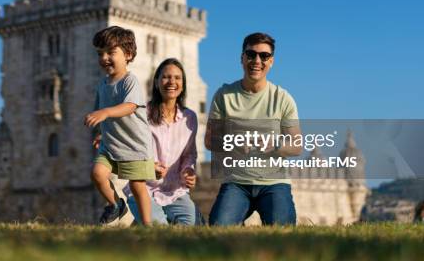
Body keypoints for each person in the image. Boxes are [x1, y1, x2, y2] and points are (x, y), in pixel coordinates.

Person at [206, 32, 303, 226]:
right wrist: (233, 143)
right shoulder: (224, 95)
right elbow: (210, 141)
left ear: (271, 61)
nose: (257, 60)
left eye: (264, 56)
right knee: (218, 227)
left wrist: (274, 146)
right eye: (251, 54)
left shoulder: (283, 98)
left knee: (282, 231)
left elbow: (297, 146)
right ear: (242, 58)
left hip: (274, 184)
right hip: (236, 182)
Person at [85, 26, 155, 225]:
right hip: (110, 143)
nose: (104, 58)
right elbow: (103, 114)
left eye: (111, 52)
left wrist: (105, 112)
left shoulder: (129, 81)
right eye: (101, 53)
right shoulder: (102, 84)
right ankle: (115, 204)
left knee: (137, 186)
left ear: (128, 55)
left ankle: (147, 225)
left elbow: (130, 106)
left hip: (134, 145)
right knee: (97, 174)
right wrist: (101, 133)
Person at [126, 58, 200, 225]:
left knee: (190, 228)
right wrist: (148, 167)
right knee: (160, 230)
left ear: (183, 84)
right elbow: (129, 151)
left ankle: (139, 227)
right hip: (143, 189)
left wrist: (189, 170)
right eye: (166, 77)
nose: (172, 82)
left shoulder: (190, 118)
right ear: (156, 82)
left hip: (175, 191)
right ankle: (144, 223)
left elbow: (189, 154)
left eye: (177, 78)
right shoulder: (141, 114)